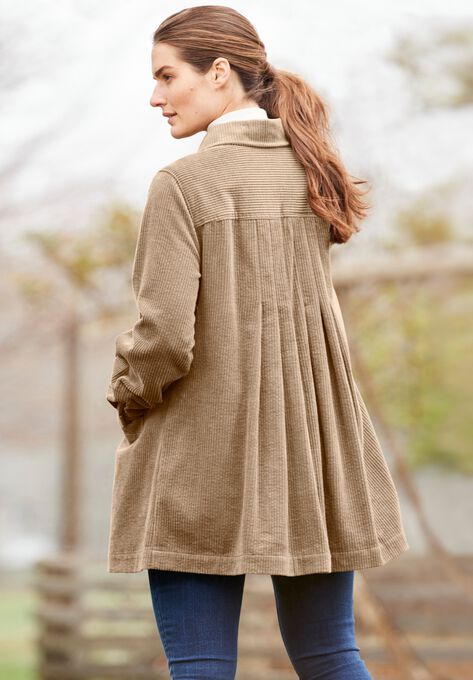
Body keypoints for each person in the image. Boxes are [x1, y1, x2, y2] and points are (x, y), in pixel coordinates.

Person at [105, 5, 410, 679]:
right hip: (312, 454)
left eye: (166, 76)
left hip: (200, 460)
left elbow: (164, 338)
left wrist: (127, 395)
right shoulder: (312, 173)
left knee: (201, 666)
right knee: (330, 656)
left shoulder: (182, 184)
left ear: (218, 72)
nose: (155, 97)